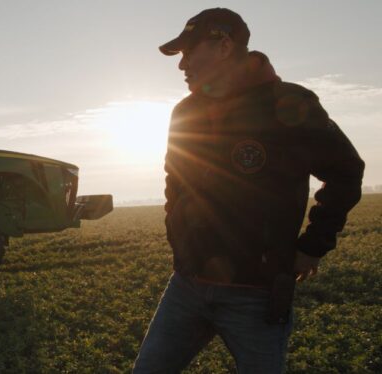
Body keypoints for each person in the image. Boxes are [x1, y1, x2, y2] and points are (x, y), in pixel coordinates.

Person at [133, 8, 364, 373]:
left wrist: (313, 245)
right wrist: (177, 235)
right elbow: (174, 179)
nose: (182, 65)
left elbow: (347, 171)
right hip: (186, 286)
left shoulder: (289, 104)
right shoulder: (184, 112)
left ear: (224, 46)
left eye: (189, 53)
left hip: (255, 295)